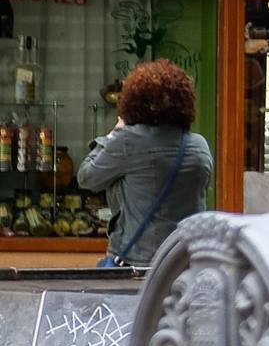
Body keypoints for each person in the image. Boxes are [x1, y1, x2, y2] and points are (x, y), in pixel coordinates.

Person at [76, 59, 213, 266]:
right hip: (186, 261)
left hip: (138, 263)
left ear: (134, 102)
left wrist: (114, 133)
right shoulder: (199, 146)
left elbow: (86, 177)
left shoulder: (127, 141)